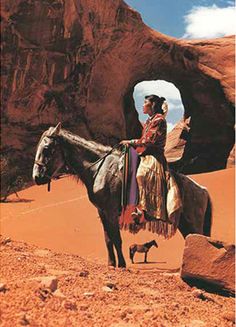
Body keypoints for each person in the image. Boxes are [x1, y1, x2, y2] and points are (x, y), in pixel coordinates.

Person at [120, 94, 169, 224]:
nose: (142, 105)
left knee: (141, 174)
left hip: (154, 155)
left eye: (145, 102)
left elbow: (148, 140)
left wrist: (130, 141)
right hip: (145, 153)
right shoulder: (149, 121)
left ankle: (146, 209)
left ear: (152, 105)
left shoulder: (159, 120)